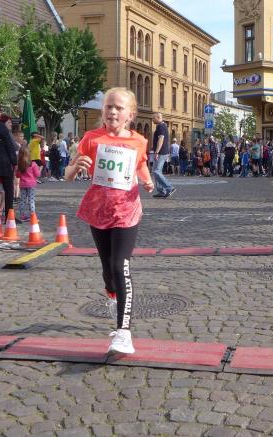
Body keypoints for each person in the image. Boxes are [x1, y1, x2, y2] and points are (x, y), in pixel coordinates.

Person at [65, 87, 154, 355]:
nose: (112, 111)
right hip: (99, 209)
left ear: (130, 115)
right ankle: (112, 295)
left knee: (119, 265)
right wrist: (75, 168)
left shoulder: (138, 141)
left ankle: (124, 332)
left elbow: (140, 164)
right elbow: (68, 172)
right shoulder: (91, 138)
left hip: (126, 210)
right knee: (108, 270)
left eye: (118, 107)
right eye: (108, 106)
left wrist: (147, 180)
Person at [151, 113, 175, 197]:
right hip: (161, 152)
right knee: (155, 172)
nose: (152, 119)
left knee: (156, 171)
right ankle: (161, 191)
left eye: (153, 118)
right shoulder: (161, 126)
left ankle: (170, 187)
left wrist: (157, 152)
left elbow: (161, 139)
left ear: (158, 117)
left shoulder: (161, 126)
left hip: (161, 152)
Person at [15, 145, 41, 222]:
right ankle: (32, 216)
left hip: (23, 185)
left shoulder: (19, 165)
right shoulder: (33, 164)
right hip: (31, 185)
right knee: (31, 201)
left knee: (22, 200)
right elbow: (37, 174)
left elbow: (17, 175)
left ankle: (22, 216)